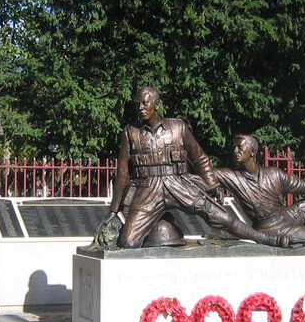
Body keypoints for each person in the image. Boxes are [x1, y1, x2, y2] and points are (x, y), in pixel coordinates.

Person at [103, 87, 287, 249]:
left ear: (157, 104)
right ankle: (162, 223)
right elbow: (122, 173)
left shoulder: (178, 127)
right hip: (148, 190)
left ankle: (266, 238)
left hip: (178, 184)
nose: (141, 108)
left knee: (222, 217)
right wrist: (114, 210)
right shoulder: (130, 132)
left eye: (145, 103)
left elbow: (200, 159)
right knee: (128, 242)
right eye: (138, 104)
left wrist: (213, 185)